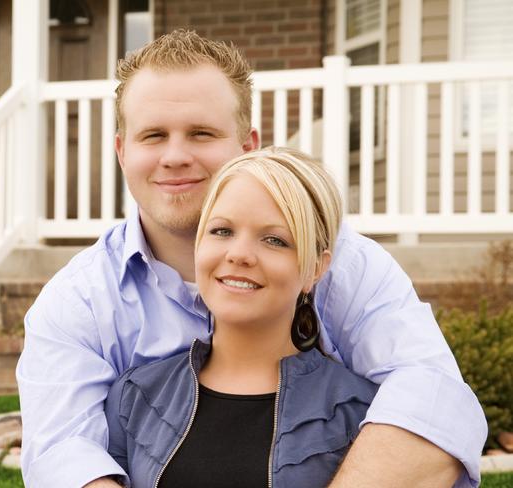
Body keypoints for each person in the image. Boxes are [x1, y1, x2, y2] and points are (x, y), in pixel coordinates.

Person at [16, 30, 486, 488]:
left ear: (247, 146)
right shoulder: (76, 302)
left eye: (201, 133)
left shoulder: (348, 264)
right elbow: (61, 455)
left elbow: (433, 399)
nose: (175, 156)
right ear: (122, 151)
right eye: (153, 135)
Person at [104, 146, 381, 488]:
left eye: (275, 240)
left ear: (315, 268)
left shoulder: (362, 412)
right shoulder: (134, 397)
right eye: (222, 231)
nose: (239, 255)